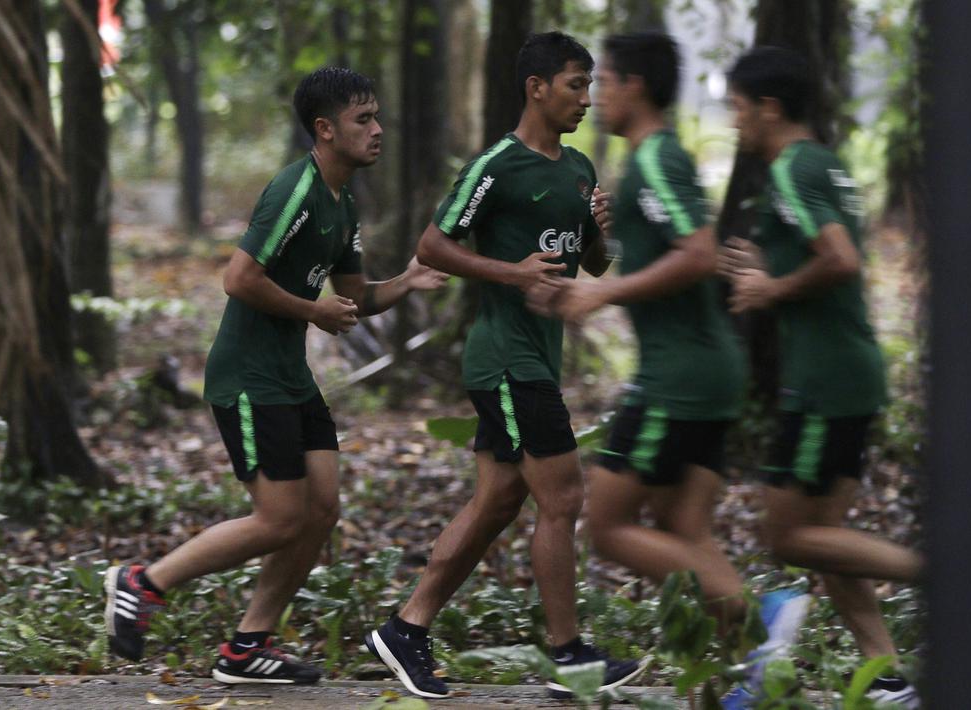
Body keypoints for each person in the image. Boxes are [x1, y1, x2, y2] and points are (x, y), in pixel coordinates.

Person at [103, 66, 447, 685]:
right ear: (324, 129)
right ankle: (143, 583)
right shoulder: (296, 190)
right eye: (362, 119)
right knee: (280, 518)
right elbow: (238, 278)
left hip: (290, 378)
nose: (377, 130)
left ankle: (247, 647)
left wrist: (409, 281)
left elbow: (354, 299)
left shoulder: (343, 203)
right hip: (247, 378)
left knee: (321, 510)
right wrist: (312, 310)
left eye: (376, 117)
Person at [363, 32, 640, 700]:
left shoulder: (577, 168)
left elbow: (594, 265)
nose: (586, 98)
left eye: (590, 85)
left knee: (497, 500)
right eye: (575, 84)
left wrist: (599, 230)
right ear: (536, 87)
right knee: (563, 497)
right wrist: (510, 273)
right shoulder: (497, 163)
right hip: (506, 358)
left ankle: (406, 627)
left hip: (537, 356)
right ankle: (569, 655)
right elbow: (432, 244)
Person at [543, 30, 811, 703]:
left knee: (605, 527)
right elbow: (688, 248)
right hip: (706, 368)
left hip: (677, 377)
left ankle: (763, 623)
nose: (596, 95)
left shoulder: (656, 159)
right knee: (684, 532)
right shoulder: (653, 161)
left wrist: (600, 291)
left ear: (634, 85)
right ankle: (761, 678)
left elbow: (694, 253)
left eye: (602, 80)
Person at [720, 45, 923, 709]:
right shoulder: (821, 165)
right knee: (830, 545)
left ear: (769, 108)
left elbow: (837, 259)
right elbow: (822, 248)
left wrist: (771, 288)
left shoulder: (791, 169)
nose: (734, 122)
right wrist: (763, 261)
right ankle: (887, 678)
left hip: (825, 382)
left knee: (785, 537)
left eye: (738, 108)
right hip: (843, 371)